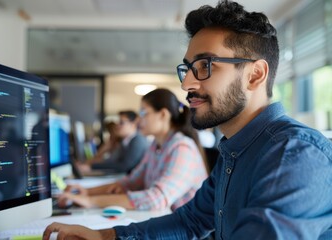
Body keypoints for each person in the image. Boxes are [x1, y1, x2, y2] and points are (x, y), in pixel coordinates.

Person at [44, 1, 332, 239]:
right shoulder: (236, 151)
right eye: (188, 68)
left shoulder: (295, 154)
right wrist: (104, 236)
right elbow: (189, 221)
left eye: (205, 66)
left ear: (255, 75)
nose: (186, 84)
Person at [55, 88, 207, 211]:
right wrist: (87, 192)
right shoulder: (156, 146)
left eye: (143, 113)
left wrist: (90, 201)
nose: (139, 120)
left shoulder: (182, 148)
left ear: (163, 115)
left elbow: (156, 199)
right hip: (168, 221)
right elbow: (131, 181)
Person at [77, 110, 148, 174]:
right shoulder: (125, 141)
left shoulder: (137, 141)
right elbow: (111, 161)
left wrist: (91, 167)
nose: (117, 125)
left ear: (133, 124)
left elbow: (124, 166)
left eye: (121, 122)